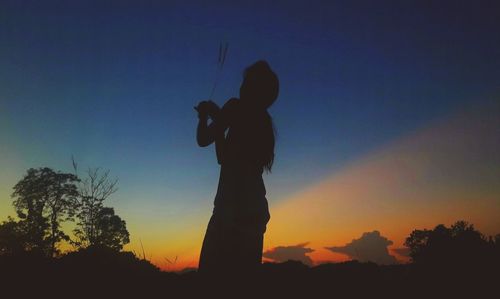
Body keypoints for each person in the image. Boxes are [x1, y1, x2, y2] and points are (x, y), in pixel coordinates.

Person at [195, 60, 279, 275]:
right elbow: (226, 157)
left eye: (245, 82)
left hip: (228, 212)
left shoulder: (234, 106)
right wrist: (219, 117)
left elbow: (204, 139)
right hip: (254, 216)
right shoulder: (265, 125)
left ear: (250, 88)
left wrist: (204, 116)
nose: (241, 87)